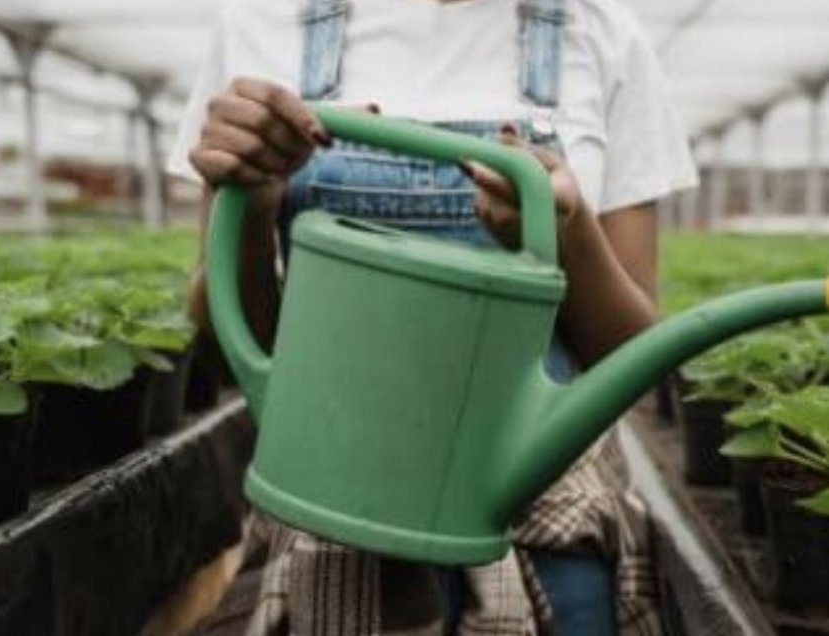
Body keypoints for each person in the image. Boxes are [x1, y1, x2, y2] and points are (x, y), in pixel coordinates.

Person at [170, 0, 697, 633]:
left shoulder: (601, 32)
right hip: (330, 529)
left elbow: (631, 358)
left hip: (549, 534)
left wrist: (569, 234)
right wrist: (253, 206)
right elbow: (224, 348)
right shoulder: (260, 23)